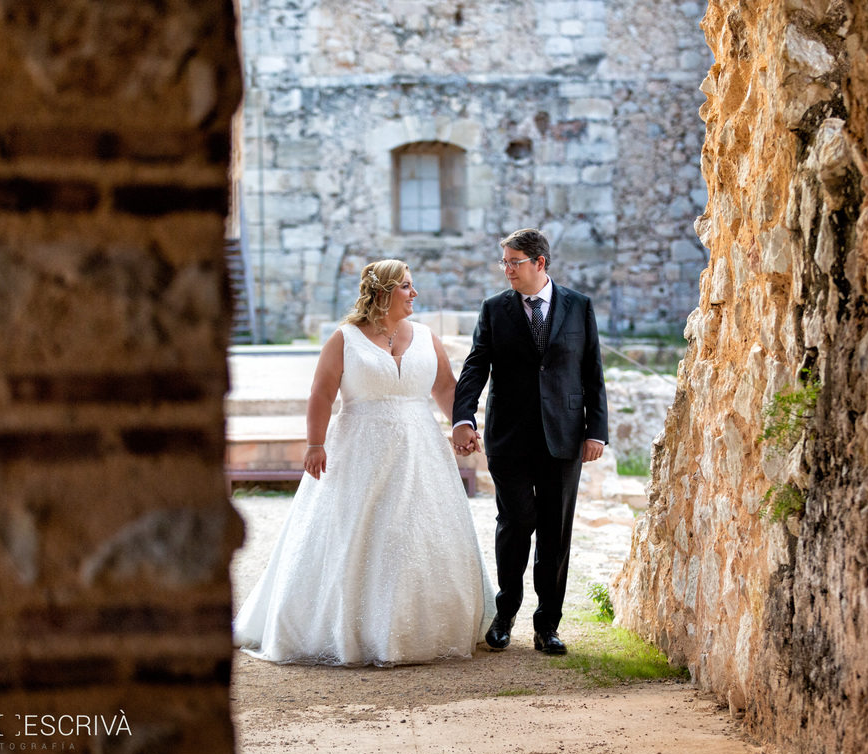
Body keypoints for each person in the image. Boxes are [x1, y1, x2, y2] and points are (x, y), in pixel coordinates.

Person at [233, 259, 495, 666]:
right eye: (407, 286)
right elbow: (321, 393)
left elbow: (446, 387)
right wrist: (315, 444)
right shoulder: (345, 339)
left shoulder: (427, 337)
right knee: (361, 535)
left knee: (414, 533)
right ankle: (354, 630)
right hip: (358, 451)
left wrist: (462, 424)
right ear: (384, 291)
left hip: (420, 451)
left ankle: (414, 629)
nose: (415, 294)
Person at [452, 229, 607, 656]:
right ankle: (505, 615)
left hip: (564, 438)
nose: (507, 270)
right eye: (503, 262)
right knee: (516, 524)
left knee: (555, 533)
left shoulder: (579, 306)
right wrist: (463, 417)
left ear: (539, 263)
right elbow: (475, 367)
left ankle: (548, 626)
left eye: (513, 262)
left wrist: (596, 430)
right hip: (509, 437)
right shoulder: (494, 309)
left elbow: (592, 371)